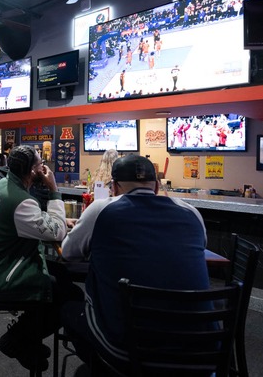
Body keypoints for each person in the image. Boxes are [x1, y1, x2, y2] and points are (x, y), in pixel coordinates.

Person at [60, 154, 210, 371]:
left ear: (114, 187)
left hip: (127, 351)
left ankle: (101, 369)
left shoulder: (101, 209)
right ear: (156, 186)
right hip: (201, 351)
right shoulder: (191, 213)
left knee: (68, 308)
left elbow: (68, 253)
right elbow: (200, 249)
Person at [0, 145, 82, 372]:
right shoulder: (21, 201)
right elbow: (57, 233)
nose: (43, 167)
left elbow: (24, 218)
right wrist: (53, 189)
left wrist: (48, 219)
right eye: (40, 163)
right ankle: (17, 338)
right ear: (33, 170)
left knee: (62, 274)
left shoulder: (3, 184)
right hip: (3, 275)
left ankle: (28, 336)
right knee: (71, 295)